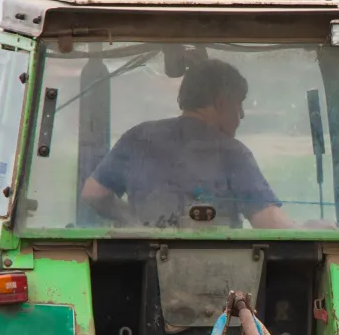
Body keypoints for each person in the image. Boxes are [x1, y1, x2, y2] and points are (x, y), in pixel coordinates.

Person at [80, 58, 301, 230]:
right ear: (221, 103)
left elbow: (93, 194)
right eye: (238, 105)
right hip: (218, 274)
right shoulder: (231, 152)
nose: (241, 115)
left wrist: (136, 222)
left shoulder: (138, 138)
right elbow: (267, 220)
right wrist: (308, 230)